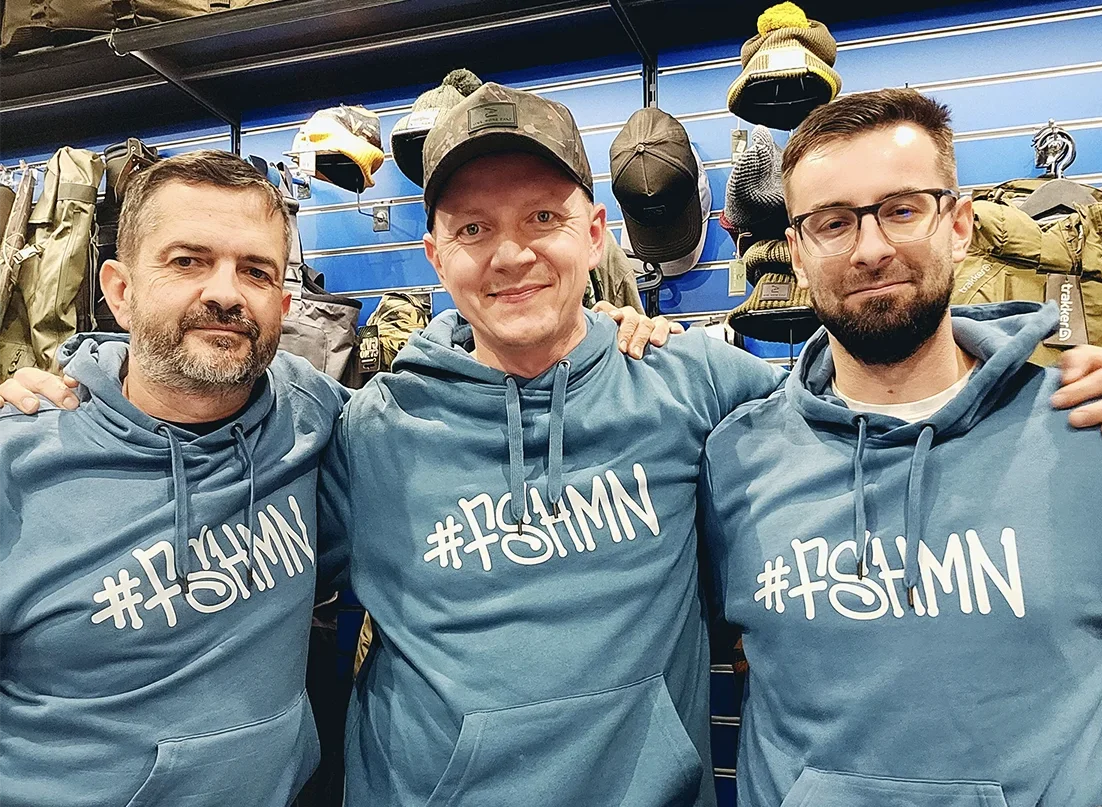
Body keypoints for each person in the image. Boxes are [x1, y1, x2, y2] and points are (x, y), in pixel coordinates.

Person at [313, 81, 1102, 807]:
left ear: (593, 234)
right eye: (473, 227)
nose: (512, 253)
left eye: (543, 218)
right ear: (435, 255)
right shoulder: (368, 429)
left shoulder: (696, 385)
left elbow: (884, 380)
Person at [0, 150, 671, 807]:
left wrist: (593, 338)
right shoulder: (19, 460)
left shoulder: (316, 416)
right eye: (188, 261)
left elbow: (467, 418)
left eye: (255, 271)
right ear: (120, 290)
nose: (225, 293)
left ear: (283, 302)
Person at [699, 87, 1102, 807]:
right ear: (797, 252)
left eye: (901, 210)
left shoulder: (1094, 432)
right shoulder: (732, 460)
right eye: (833, 223)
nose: (870, 249)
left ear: (957, 224)